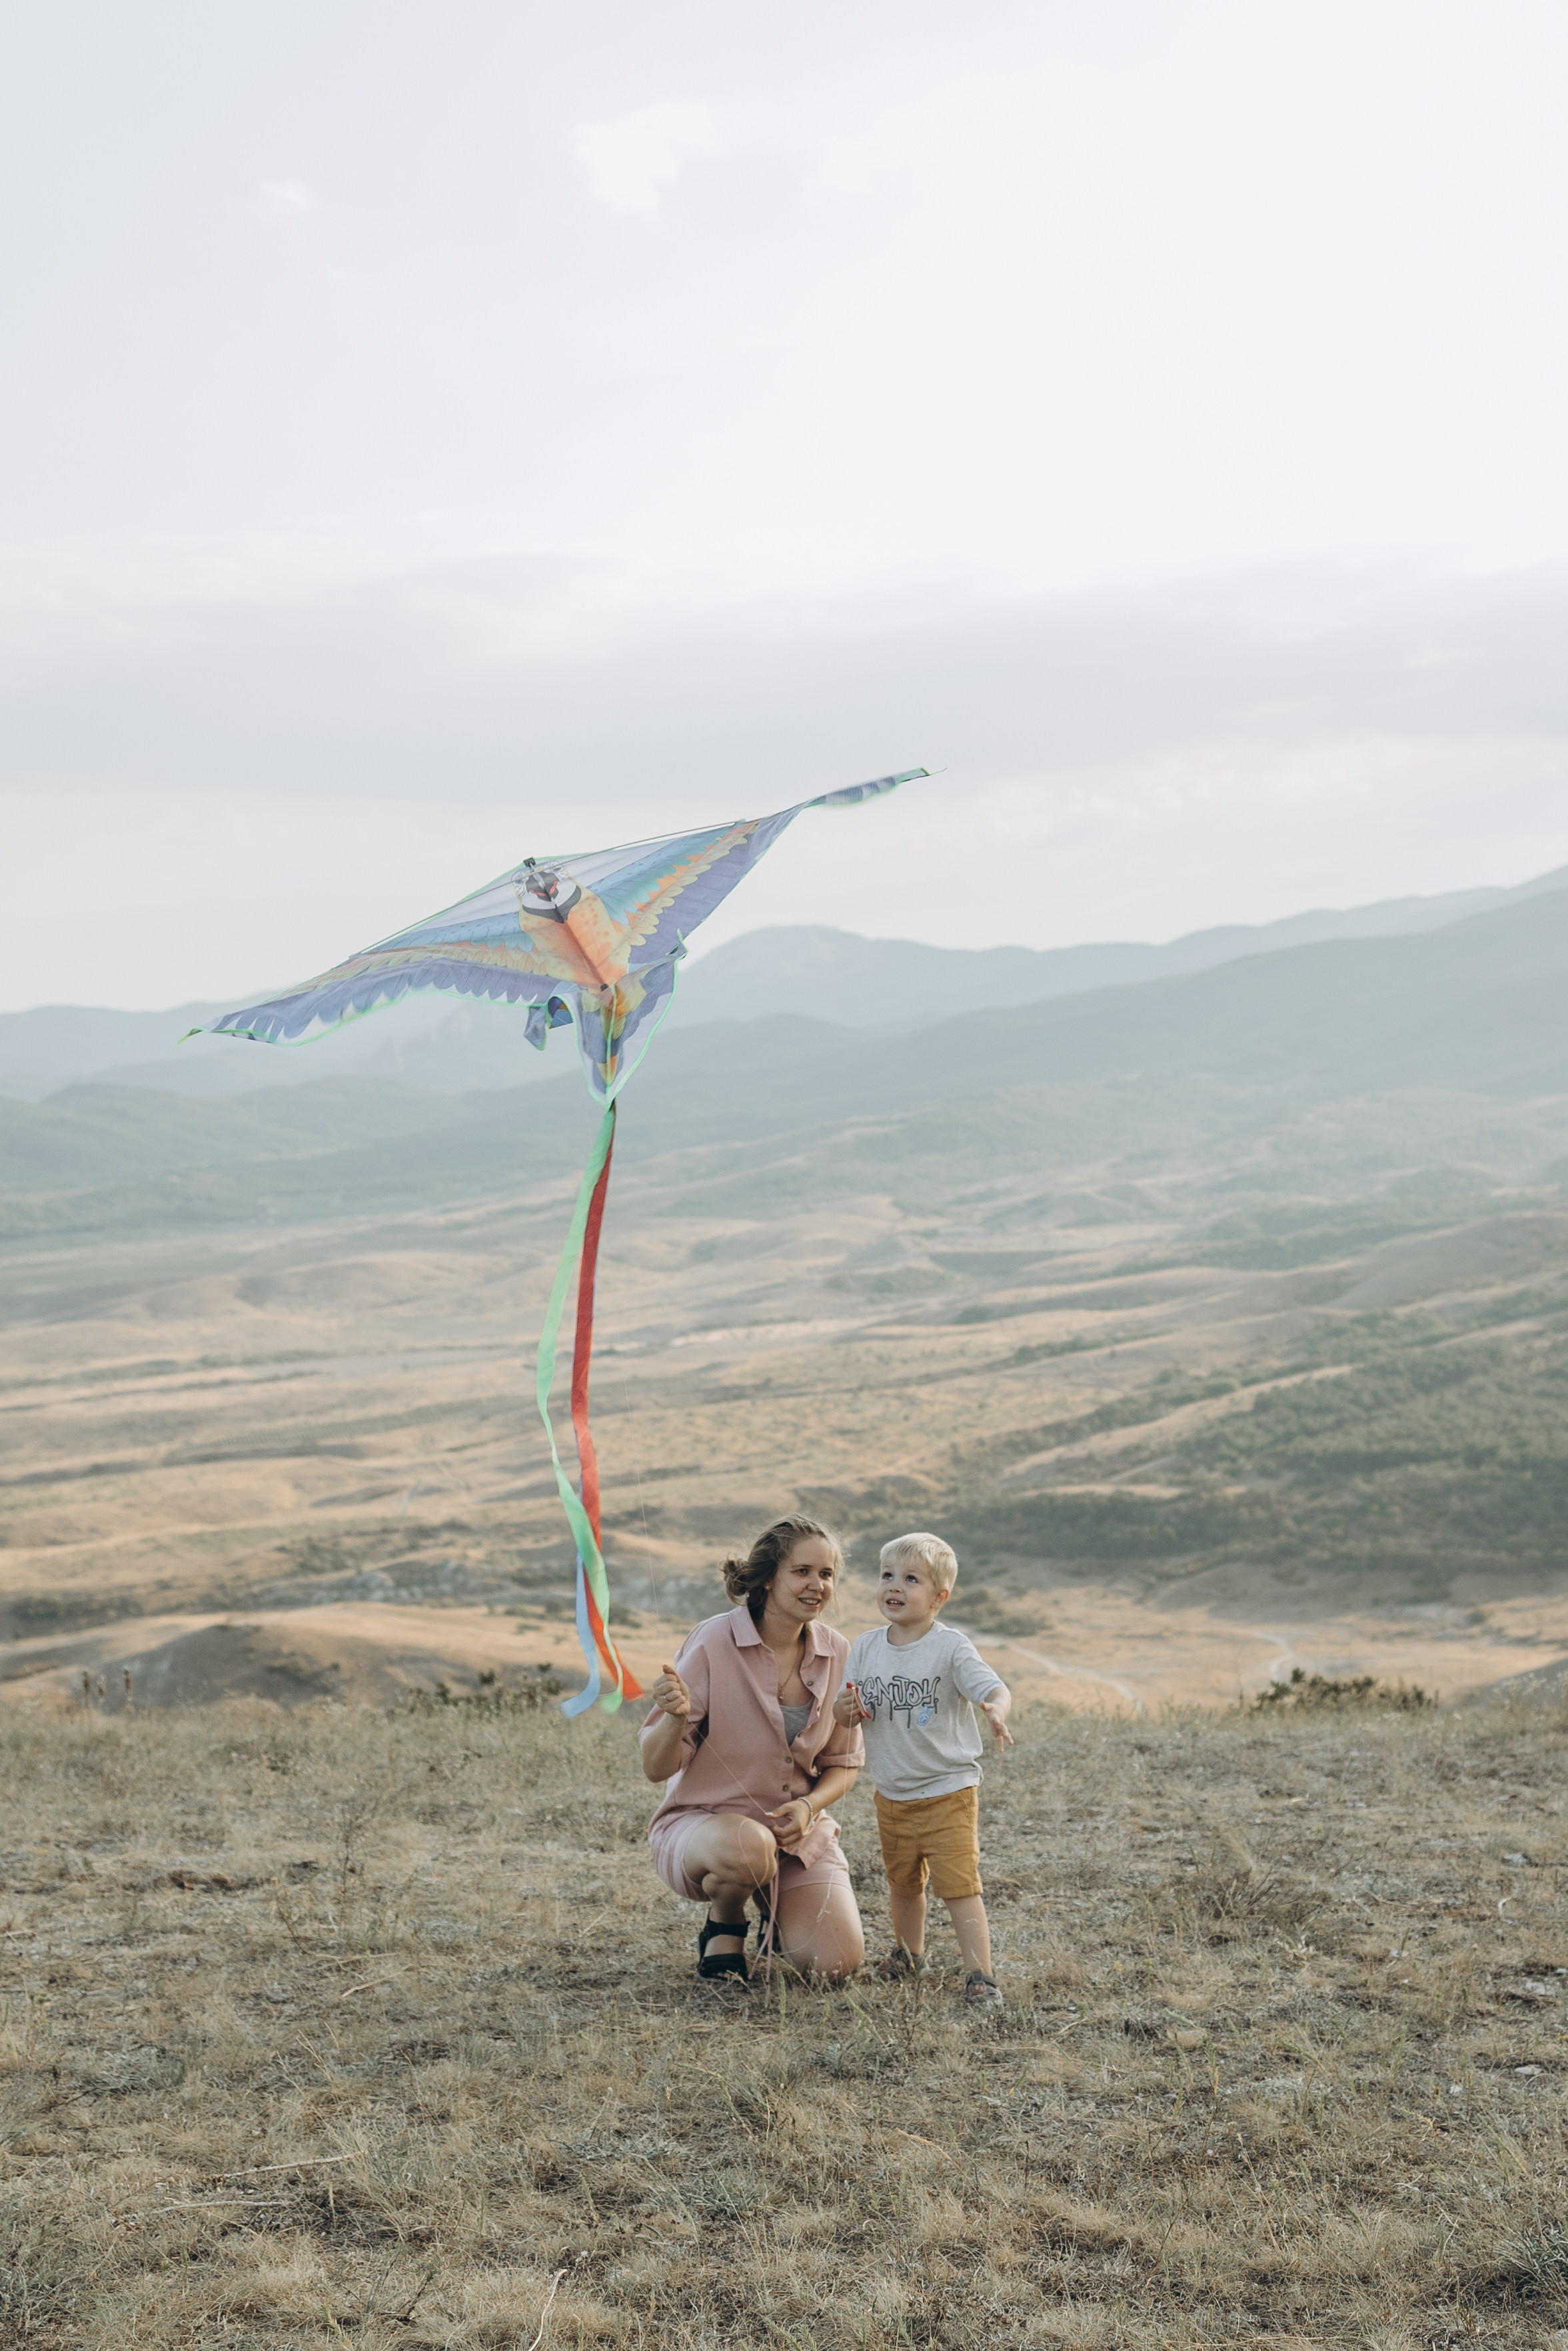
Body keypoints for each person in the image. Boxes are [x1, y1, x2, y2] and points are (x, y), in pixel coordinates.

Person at [641, 1514, 866, 1984]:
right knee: (747, 1845)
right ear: (767, 1577)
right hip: (710, 1835)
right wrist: (676, 1717)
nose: (817, 1585)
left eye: (826, 1574)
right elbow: (654, 1768)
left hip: (795, 1838)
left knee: (833, 1965)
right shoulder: (713, 1639)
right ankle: (726, 1921)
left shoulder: (839, 1651)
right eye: (802, 1571)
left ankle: (780, 1920)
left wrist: (808, 1806)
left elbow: (844, 1764)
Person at [835, 1531, 1013, 2006]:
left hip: (947, 1789)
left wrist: (995, 1709)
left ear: (938, 1597)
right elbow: (842, 1710)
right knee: (902, 1883)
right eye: (887, 1575)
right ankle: (908, 1953)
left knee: (958, 1886)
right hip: (891, 1792)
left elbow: (992, 1687)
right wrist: (844, 1708)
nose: (894, 1585)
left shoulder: (949, 1647)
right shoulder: (866, 1647)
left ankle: (980, 1974)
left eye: (910, 1578)